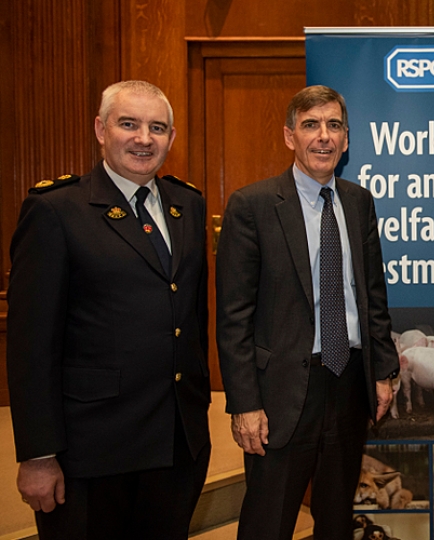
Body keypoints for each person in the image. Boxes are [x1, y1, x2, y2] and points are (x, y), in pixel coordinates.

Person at [6, 80, 211, 539]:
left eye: (157, 127)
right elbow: (30, 345)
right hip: (91, 451)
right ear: (101, 130)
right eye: (129, 124)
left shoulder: (188, 205)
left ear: (172, 138)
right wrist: (38, 454)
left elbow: (192, 319)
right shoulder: (57, 210)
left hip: (176, 443)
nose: (144, 138)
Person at [216, 85, 399, 540]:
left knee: (336, 520)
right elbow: (234, 316)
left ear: (347, 139)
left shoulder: (358, 202)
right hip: (281, 392)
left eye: (334, 125)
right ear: (289, 136)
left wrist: (383, 371)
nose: (324, 136)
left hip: (349, 382)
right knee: (269, 520)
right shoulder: (252, 206)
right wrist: (245, 404)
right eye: (311, 125)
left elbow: (372, 295)